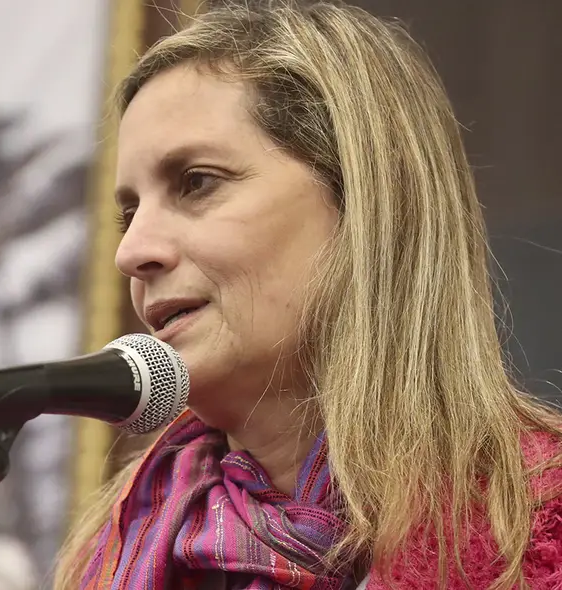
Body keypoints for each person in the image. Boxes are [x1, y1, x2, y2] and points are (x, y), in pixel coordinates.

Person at [54, 1, 562, 588]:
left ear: (364, 203)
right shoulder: (113, 551)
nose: (131, 252)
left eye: (196, 183)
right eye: (128, 214)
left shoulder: (540, 528)